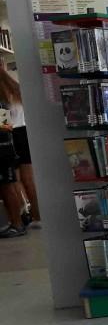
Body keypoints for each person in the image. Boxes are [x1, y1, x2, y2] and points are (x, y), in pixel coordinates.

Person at [0, 68, 39, 238]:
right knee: (23, 179)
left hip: (12, 133)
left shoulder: (6, 84)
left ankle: (24, 218)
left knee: (15, 180)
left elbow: (4, 120)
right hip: (19, 130)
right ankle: (33, 216)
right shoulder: (13, 80)